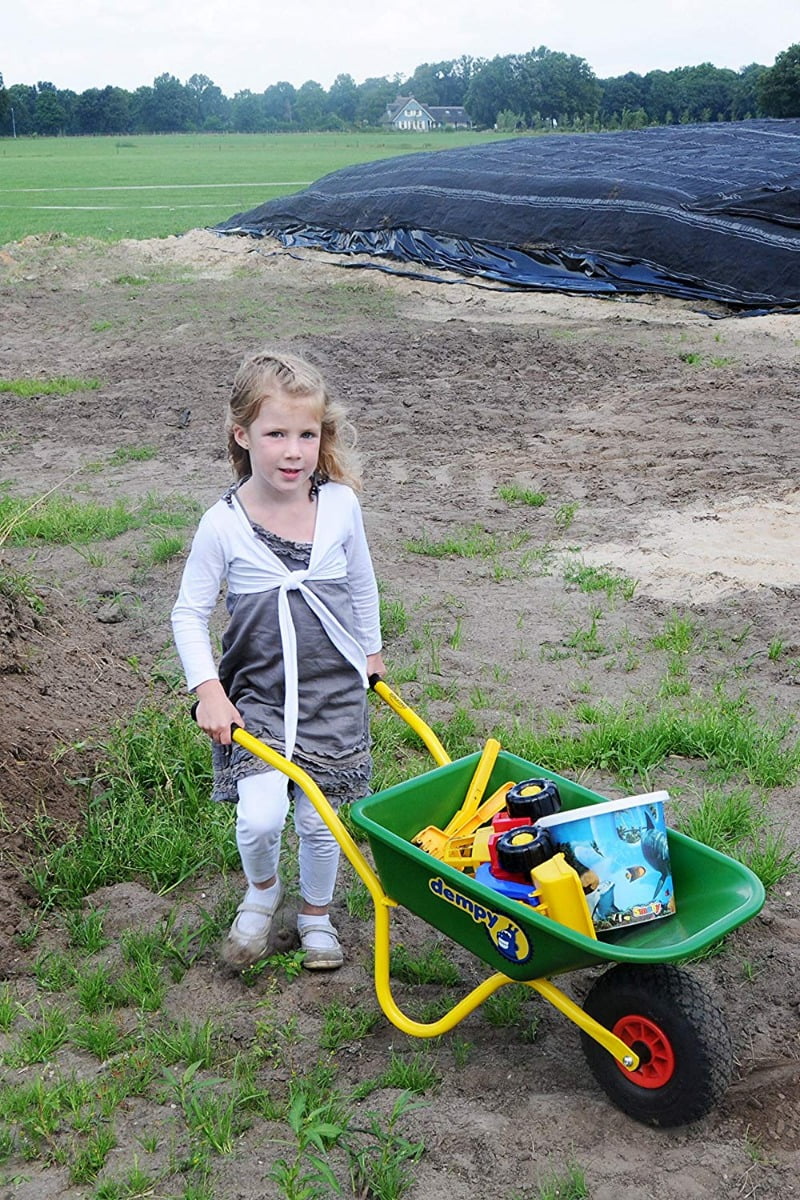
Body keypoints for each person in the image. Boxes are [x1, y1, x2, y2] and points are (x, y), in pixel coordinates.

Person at [172, 349, 385, 971]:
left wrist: (369, 652)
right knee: (262, 815)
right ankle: (263, 890)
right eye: (276, 434)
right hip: (258, 698)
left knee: (322, 820)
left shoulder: (341, 506)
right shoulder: (224, 525)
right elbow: (188, 613)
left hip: (331, 691)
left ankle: (316, 913)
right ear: (243, 435)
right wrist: (209, 690)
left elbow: (364, 583)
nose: (293, 451)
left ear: (323, 436)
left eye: (307, 435)